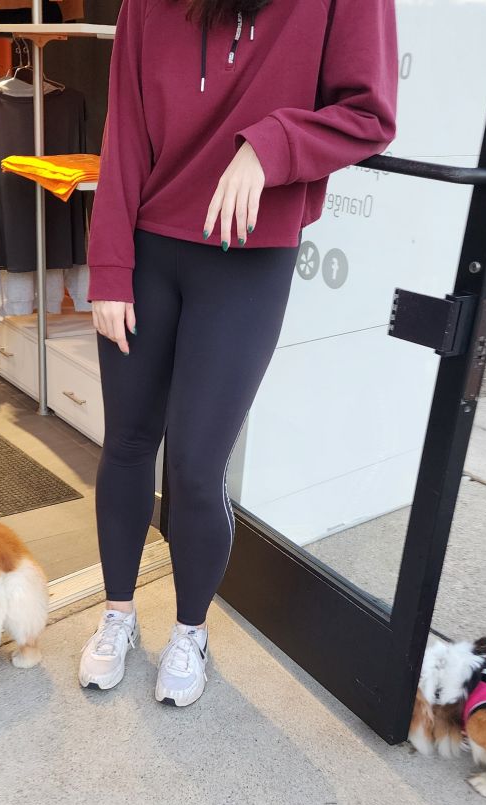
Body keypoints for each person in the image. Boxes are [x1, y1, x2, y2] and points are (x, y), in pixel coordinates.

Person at [80, 0, 398, 706]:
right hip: (148, 246)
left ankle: (190, 629)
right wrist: (109, 268)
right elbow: (125, 131)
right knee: (128, 442)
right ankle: (118, 614)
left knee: (196, 465)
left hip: (248, 256)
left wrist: (272, 144)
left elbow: (369, 114)